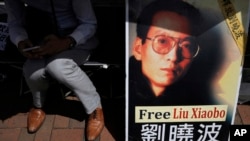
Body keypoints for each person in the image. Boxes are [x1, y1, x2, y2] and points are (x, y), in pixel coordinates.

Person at [128, 0, 228, 140]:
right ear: (138, 48)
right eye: (162, 41)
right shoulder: (127, 92)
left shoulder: (208, 106)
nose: (174, 56)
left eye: (186, 45)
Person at [5, 0, 104, 140]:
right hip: (40, 38)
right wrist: (21, 40)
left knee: (59, 67)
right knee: (32, 71)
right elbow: (15, 22)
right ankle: (38, 104)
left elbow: (89, 24)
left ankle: (94, 107)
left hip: (75, 38)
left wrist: (67, 41)